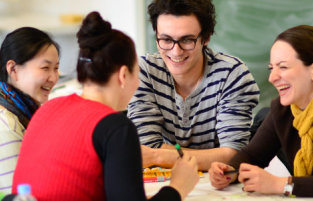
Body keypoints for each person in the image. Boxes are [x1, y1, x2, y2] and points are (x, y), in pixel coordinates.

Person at [11, 12, 199, 201]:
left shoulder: (47, 110)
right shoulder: (115, 127)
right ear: (123, 75)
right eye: (137, 74)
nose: (138, 84)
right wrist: (177, 187)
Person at [208, 25, 313, 197]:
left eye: (283, 67)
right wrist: (228, 171)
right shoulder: (284, 110)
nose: (272, 78)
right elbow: (252, 155)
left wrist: (282, 185)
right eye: (272, 68)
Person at [127, 0, 260, 171]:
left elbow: (233, 155)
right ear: (156, 35)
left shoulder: (232, 74)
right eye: (166, 40)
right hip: (164, 181)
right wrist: (210, 157)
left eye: (187, 40)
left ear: (206, 38)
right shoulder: (144, 71)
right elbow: (146, 148)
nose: (176, 51)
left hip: (218, 185)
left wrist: (159, 155)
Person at [0, 27, 60, 193]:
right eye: (45, 68)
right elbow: (16, 195)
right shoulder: (7, 126)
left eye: (56, 68)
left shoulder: (25, 114)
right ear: (13, 69)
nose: (54, 78)